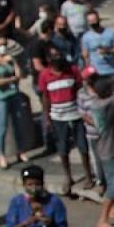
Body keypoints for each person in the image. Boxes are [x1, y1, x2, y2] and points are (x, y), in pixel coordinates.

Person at [78, 67, 114, 227]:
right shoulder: (104, 103)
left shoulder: (95, 102)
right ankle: (102, 219)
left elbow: (86, 116)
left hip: (109, 144)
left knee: (111, 180)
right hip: (108, 149)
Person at [37, 48, 95, 192]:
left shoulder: (72, 70)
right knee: (63, 148)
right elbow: (45, 97)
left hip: (75, 113)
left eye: (59, 54)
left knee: (82, 146)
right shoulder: (45, 75)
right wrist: (47, 117)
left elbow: (79, 88)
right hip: (58, 116)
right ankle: (68, 177)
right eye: (54, 56)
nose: (58, 58)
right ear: (49, 59)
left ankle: (88, 175)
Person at [0, 35, 29, 169]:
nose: (2, 47)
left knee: (18, 123)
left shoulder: (10, 59)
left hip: (14, 94)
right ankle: (1, 155)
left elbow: (20, 75)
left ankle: (20, 151)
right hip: (0, 98)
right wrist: (12, 79)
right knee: (2, 126)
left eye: (4, 44)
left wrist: (14, 62)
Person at [80, 9, 114, 76]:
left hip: (111, 71)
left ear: (99, 19)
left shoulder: (110, 33)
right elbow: (86, 56)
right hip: (96, 73)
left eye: (94, 20)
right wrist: (88, 71)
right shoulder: (86, 37)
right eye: (90, 21)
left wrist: (108, 50)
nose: (93, 23)